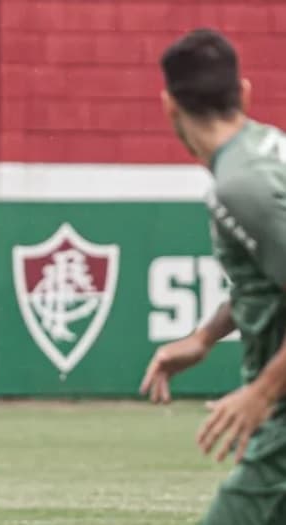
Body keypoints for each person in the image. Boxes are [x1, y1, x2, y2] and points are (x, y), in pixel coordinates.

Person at [140, 28, 286, 524]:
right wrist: (205, 337)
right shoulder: (267, 150)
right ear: (243, 93)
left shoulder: (242, 185)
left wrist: (261, 394)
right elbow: (267, 281)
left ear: (168, 107)